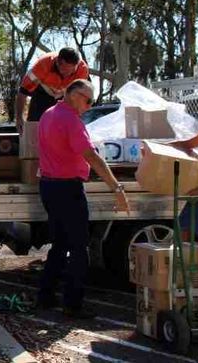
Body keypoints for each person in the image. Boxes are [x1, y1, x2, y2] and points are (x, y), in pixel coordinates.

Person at [36, 79, 129, 319]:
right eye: (88, 101)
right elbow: (92, 157)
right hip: (68, 188)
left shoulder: (48, 114)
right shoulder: (70, 120)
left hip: (49, 185)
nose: (89, 107)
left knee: (60, 244)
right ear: (74, 95)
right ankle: (72, 304)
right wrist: (116, 188)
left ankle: (45, 295)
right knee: (79, 248)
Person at [16, 47, 90, 132]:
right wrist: (19, 117)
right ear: (57, 63)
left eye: (71, 72)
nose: (67, 75)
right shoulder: (42, 65)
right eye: (65, 71)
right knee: (34, 126)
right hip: (42, 94)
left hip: (65, 96)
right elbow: (23, 92)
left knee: (65, 126)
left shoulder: (82, 69)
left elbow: (81, 98)